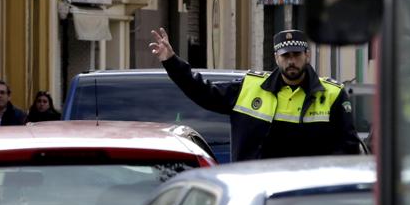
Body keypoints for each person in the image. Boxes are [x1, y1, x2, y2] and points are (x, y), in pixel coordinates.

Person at [149, 27, 360, 160]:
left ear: (307, 55)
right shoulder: (250, 88)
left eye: (296, 55)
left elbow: (348, 149)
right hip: (257, 190)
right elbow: (203, 92)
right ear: (276, 58)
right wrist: (171, 61)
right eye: (285, 55)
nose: (291, 61)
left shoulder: (332, 94)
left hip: (307, 196)